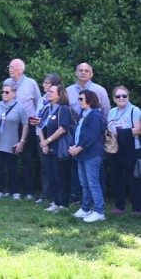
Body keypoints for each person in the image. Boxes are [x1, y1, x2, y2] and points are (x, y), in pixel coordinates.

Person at [66, 63, 110, 203]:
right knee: (79, 173)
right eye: (80, 70)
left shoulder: (100, 90)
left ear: (91, 74)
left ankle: (98, 204)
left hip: (94, 137)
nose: (83, 73)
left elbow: (106, 114)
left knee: (94, 174)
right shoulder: (68, 91)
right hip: (75, 134)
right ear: (76, 72)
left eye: (87, 71)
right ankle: (81, 201)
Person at [5, 59, 42, 200]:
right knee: (10, 157)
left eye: (13, 67)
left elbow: (39, 102)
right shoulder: (7, 82)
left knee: (27, 159)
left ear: (21, 69)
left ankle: (29, 191)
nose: (10, 69)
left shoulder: (31, 83)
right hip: (10, 125)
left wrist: (36, 118)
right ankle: (12, 189)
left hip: (27, 125)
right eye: (9, 67)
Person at [70, 90, 106, 222]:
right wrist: (73, 146)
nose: (79, 101)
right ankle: (86, 209)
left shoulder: (95, 115)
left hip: (92, 154)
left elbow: (92, 135)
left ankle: (99, 212)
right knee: (84, 183)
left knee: (93, 183)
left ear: (89, 100)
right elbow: (78, 132)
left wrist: (78, 148)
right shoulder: (83, 113)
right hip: (81, 153)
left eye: (81, 99)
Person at [0, 83, 28, 200]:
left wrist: (22, 141)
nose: (4, 94)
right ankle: (0, 190)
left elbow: (25, 125)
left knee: (12, 168)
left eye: (7, 92)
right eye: (3, 92)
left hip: (12, 141)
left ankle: (14, 191)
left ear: (13, 94)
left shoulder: (19, 107)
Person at [106, 86, 141, 215]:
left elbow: (138, 130)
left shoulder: (134, 110)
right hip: (114, 148)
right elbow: (109, 129)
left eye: (124, 96)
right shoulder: (111, 111)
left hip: (132, 148)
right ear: (114, 99)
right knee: (116, 177)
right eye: (118, 96)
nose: (121, 98)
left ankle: (137, 208)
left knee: (133, 178)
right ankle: (120, 207)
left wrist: (119, 132)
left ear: (128, 97)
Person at [37, 84, 72, 212]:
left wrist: (48, 141)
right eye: (48, 91)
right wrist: (44, 143)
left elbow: (63, 128)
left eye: (52, 91)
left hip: (58, 148)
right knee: (51, 176)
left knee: (60, 176)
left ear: (59, 94)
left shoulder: (63, 109)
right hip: (47, 148)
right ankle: (54, 202)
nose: (48, 93)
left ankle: (63, 204)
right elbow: (40, 126)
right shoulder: (46, 108)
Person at [32, 73, 62, 203]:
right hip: (40, 134)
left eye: (46, 82)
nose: (43, 85)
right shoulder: (41, 99)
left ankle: (56, 197)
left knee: (55, 168)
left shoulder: (59, 103)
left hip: (52, 136)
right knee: (44, 166)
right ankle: (46, 193)